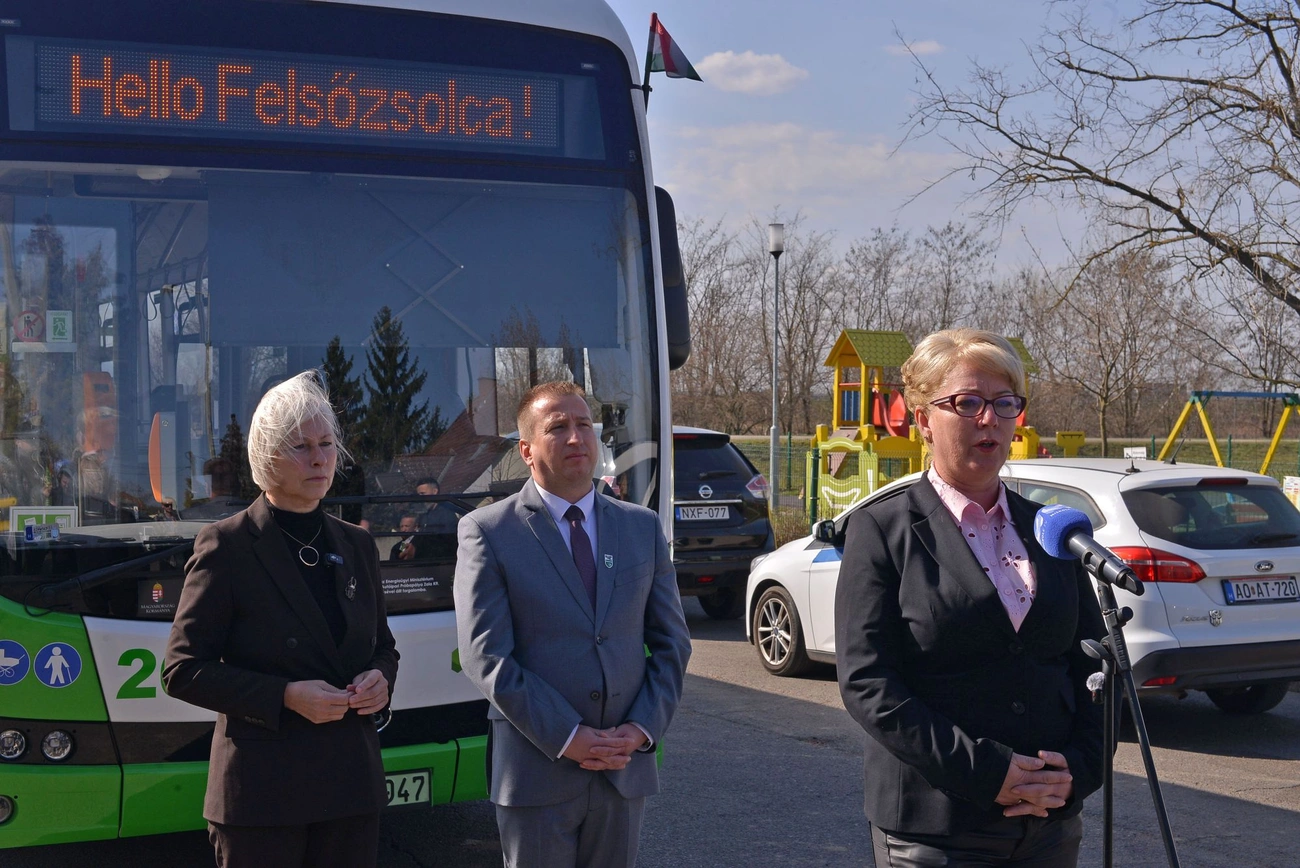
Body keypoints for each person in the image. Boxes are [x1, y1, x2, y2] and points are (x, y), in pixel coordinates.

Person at [835, 329, 1106, 868]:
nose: (990, 419)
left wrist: (1077, 772)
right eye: (968, 403)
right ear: (922, 420)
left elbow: (1095, 666)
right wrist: (989, 773)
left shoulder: (1051, 530)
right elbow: (869, 682)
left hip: (1049, 828)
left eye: (1005, 403)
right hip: (938, 830)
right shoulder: (883, 530)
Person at [162, 371, 398, 868]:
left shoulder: (356, 544)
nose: (319, 458)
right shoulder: (226, 545)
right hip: (263, 796)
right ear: (265, 457)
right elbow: (182, 670)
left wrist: (381, 680)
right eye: (301, 446)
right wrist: (287, 697)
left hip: (350, 789)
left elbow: (383, 646)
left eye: (327, 443)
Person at [454, 381, 691, 868]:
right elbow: (487, 657)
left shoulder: (640, 526)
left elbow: (672, 645)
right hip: (538, 773)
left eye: (584, 425)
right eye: (557, 428)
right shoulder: (488, 532)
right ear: (526, 450)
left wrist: (641, 729)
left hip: (623, 769)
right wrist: (568, 736)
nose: (576, 438)